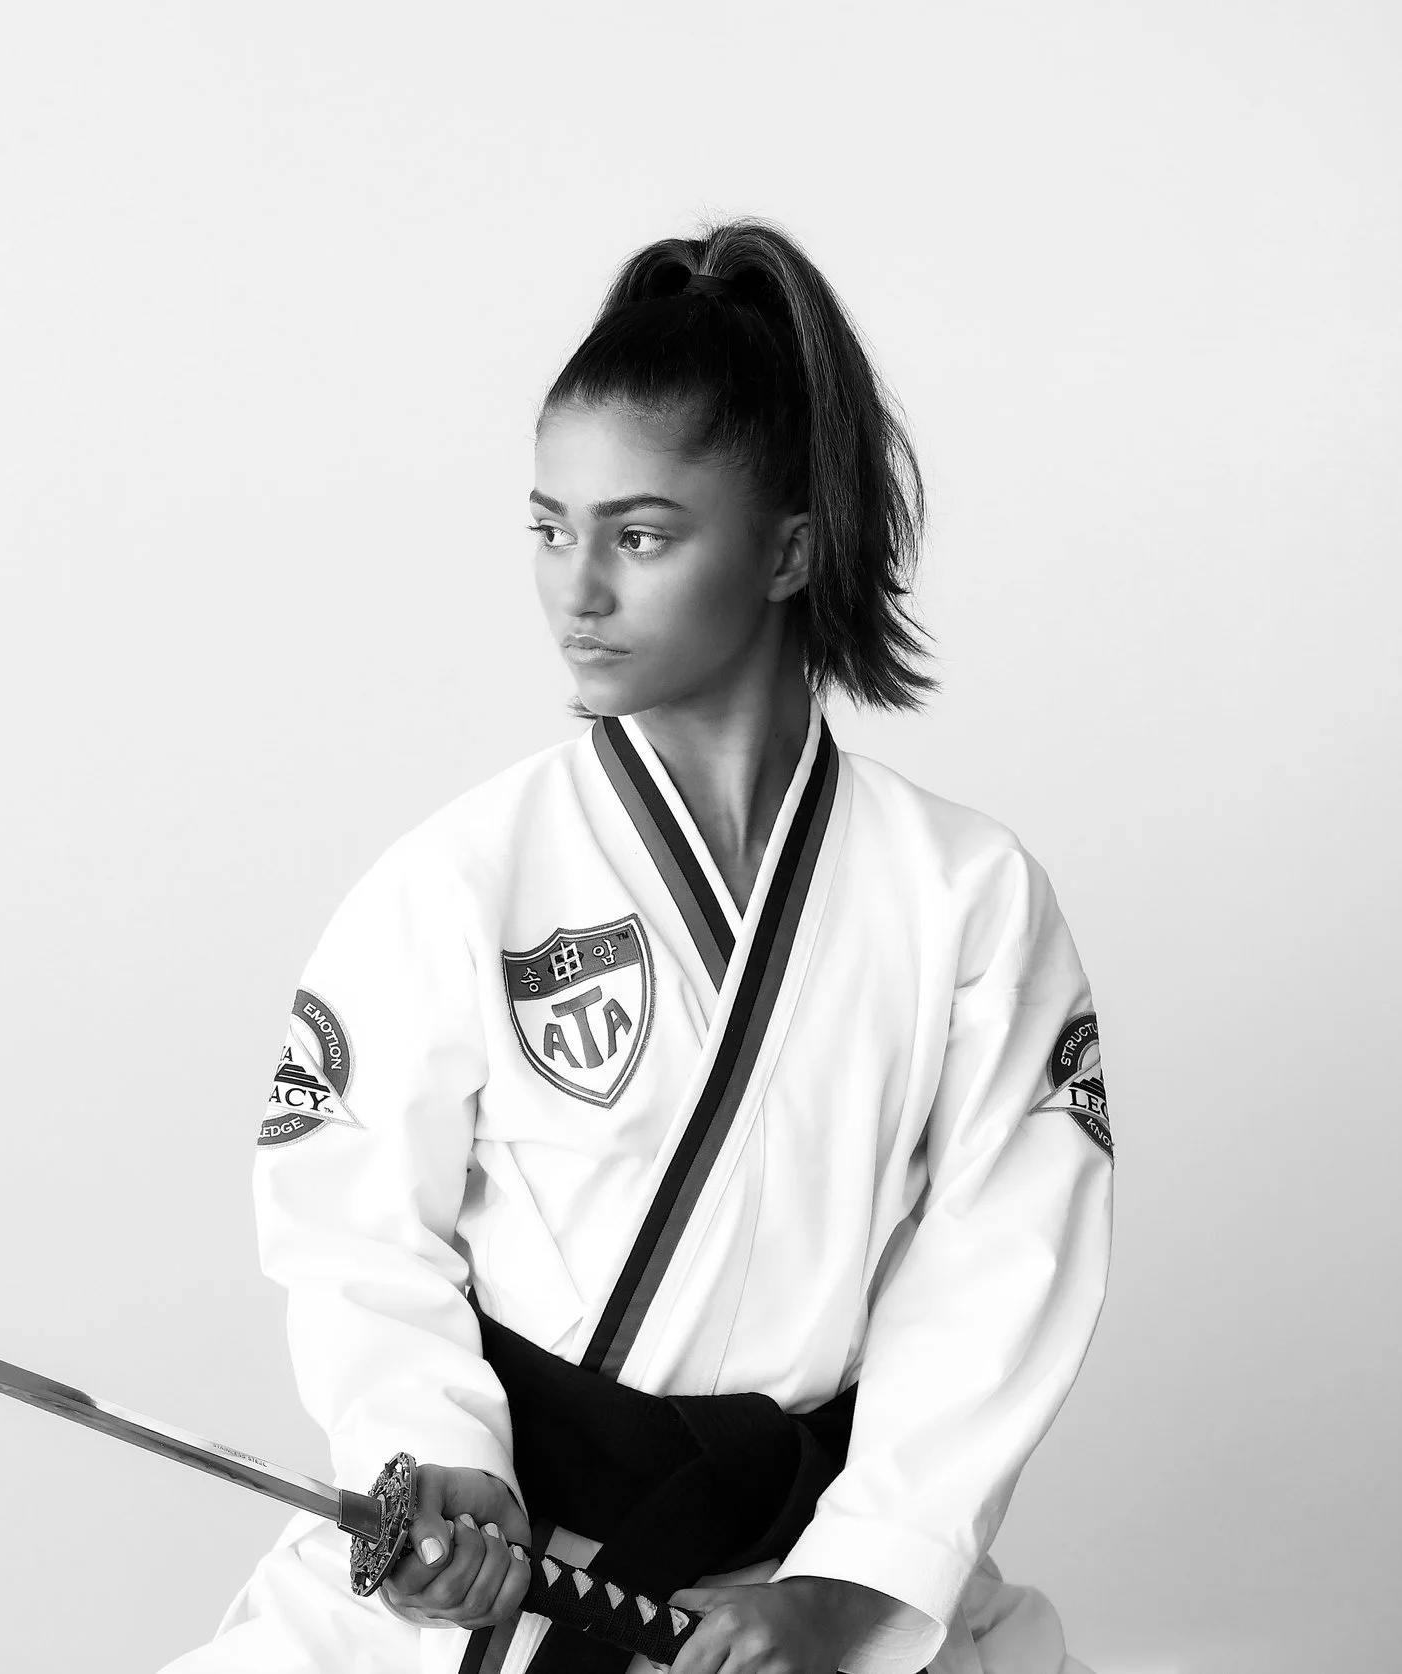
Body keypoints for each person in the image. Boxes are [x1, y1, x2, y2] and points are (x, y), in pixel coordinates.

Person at [164, 221, 1111, 1674]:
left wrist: (850, 1591)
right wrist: (436, 1460)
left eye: (642, 533)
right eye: (551, 525)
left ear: (790, 547)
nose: (577, 587)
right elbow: (357, 1233)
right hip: (503, 1557)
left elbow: (997, 1277)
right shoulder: (460, 880)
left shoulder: (965, 898)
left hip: (794, 1583)